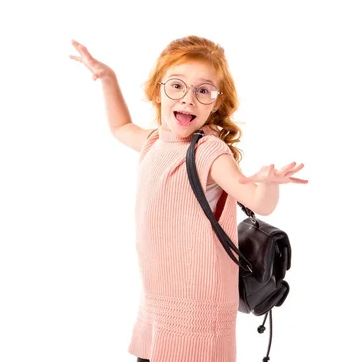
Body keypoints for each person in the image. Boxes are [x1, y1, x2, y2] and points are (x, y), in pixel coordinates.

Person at [69, 36, 307, 362]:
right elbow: (121, 126)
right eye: (177, 86)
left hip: (197, 300)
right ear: (158, 90)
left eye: (203, 91)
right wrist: (108, 78)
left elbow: (259, 202)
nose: (189, 99)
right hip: (160, 293)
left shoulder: (210, 151)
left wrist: (268, 184)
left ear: (216, 104)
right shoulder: (155, 142)